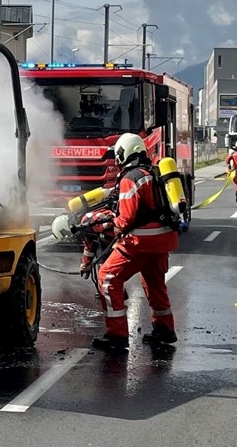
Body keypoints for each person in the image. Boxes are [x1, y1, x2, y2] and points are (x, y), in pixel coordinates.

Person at [92, 133, 181, 354]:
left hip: (140, 241)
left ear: (124, 153)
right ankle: (164, 330)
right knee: (154, 283)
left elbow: (126, 217)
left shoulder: (130, 178)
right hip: (163, 240)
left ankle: (117, 335)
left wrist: (108, 226)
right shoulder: (153, 173)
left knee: (107, 278)